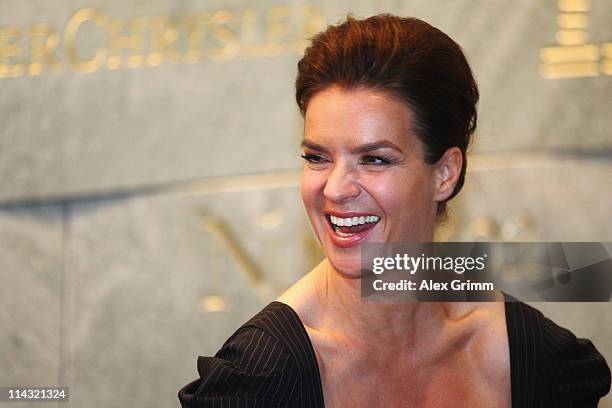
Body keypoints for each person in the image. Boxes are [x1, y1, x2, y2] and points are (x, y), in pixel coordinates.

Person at [178, 14, 611, 407]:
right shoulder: (262, 378)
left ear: (444, 173)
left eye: (375, 159)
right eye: (317, 157)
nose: (334, 188)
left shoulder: (528, 356)